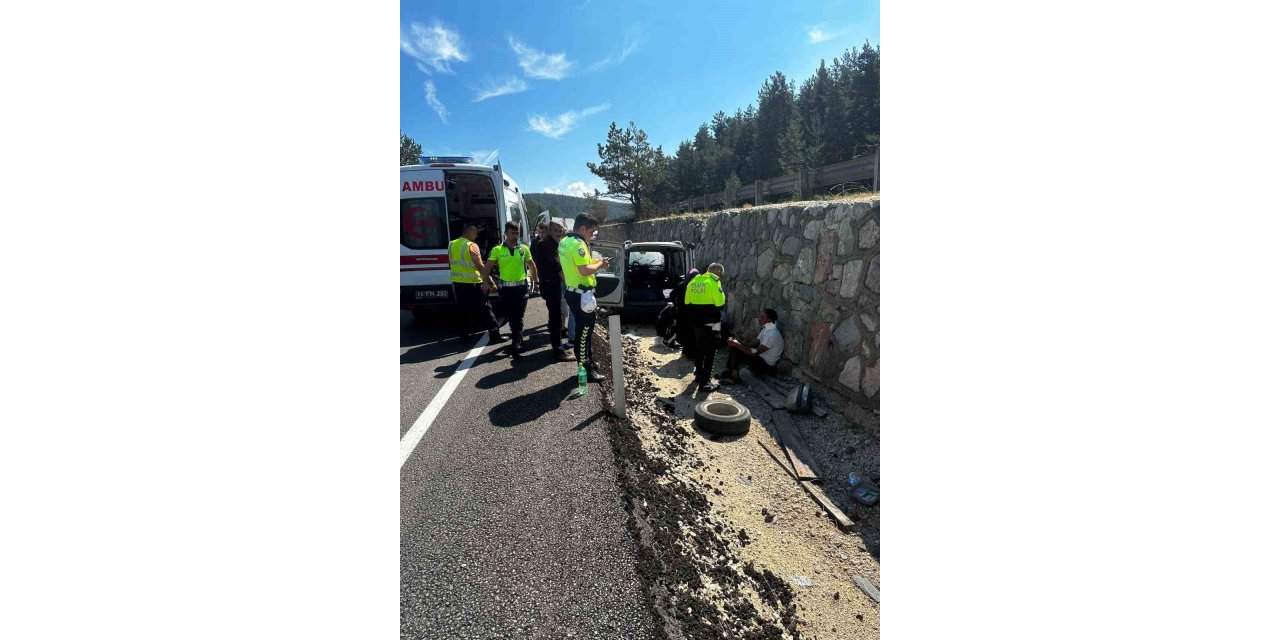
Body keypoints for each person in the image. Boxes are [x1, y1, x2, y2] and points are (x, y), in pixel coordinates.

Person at [559, 213, 610, 383]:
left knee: (584, 332)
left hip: (573, 292)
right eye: (592, 232)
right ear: (582, 228)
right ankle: (585, 371)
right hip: (581, 295)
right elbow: (584, 270)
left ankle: (588, 361)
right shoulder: (578, 244)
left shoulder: (564, 241)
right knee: (583, 334)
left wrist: (594, 262)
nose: (592, 235)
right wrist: (601, 264)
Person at [484, 221, 539, 356]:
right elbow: (487, 268)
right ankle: (516, 340)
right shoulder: (497, 250)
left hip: (521, 288)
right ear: (505, 234)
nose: (515, 236)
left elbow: (532, 265)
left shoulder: (523, 249)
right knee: (512, 316)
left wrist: (535, 281)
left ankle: (516, 343)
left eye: (517, 233)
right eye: (512, 233)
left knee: (518, 317)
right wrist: (486, 282)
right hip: (506, 290)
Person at [449, 223, 504, 344]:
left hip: (458, 284)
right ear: (468, 233)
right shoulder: (472, 246)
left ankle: (464, 337)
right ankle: (495, 335)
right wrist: (490, 282)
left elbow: (451, 263)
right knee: (486, 309)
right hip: (473, 283)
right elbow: (480, 266)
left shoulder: (451, 244)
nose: (476, 236)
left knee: (463, 311)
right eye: (475, 234)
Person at [533, 221, 575, 361]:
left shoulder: (551, 243)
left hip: (550, 284)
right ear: (549, 230)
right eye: (556, 230)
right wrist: (572, 284)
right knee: (556, 318)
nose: (559, 233)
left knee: (555, 317)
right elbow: (557, 267)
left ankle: (558, 348)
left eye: (560, 231)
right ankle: (558, 351)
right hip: (550, 285)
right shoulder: (547, 244)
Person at [684, 263, 726, 392]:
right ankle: (705, 383)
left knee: (700, 349)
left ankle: (698, 374)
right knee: (711, 352)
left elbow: (687, 302)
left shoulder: (695, 280)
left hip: (697, 324)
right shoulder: (714, 282)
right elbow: (720, 304)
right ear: (718, 272)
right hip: (712, 323)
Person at [722, 309, 784, 384]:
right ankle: (729, 371)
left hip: (766, 367)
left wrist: (738, 344)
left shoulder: (773, 335)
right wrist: (736, 342)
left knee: (737, 347)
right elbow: (751, 344)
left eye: (762, 317)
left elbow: (755, 352)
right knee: (736, 346)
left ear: (769, 320)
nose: (759, 319)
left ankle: (734, 377)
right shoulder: (766, 330)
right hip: (760, 359)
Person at [670, 268, 699, 358]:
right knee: (692, 333)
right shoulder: (697, 286)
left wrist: (676, 304)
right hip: (694, 312)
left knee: (684, 331)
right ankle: (690, 353)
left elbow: (671, 295)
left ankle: (685, 351)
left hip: (682, 312)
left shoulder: (681, 285)